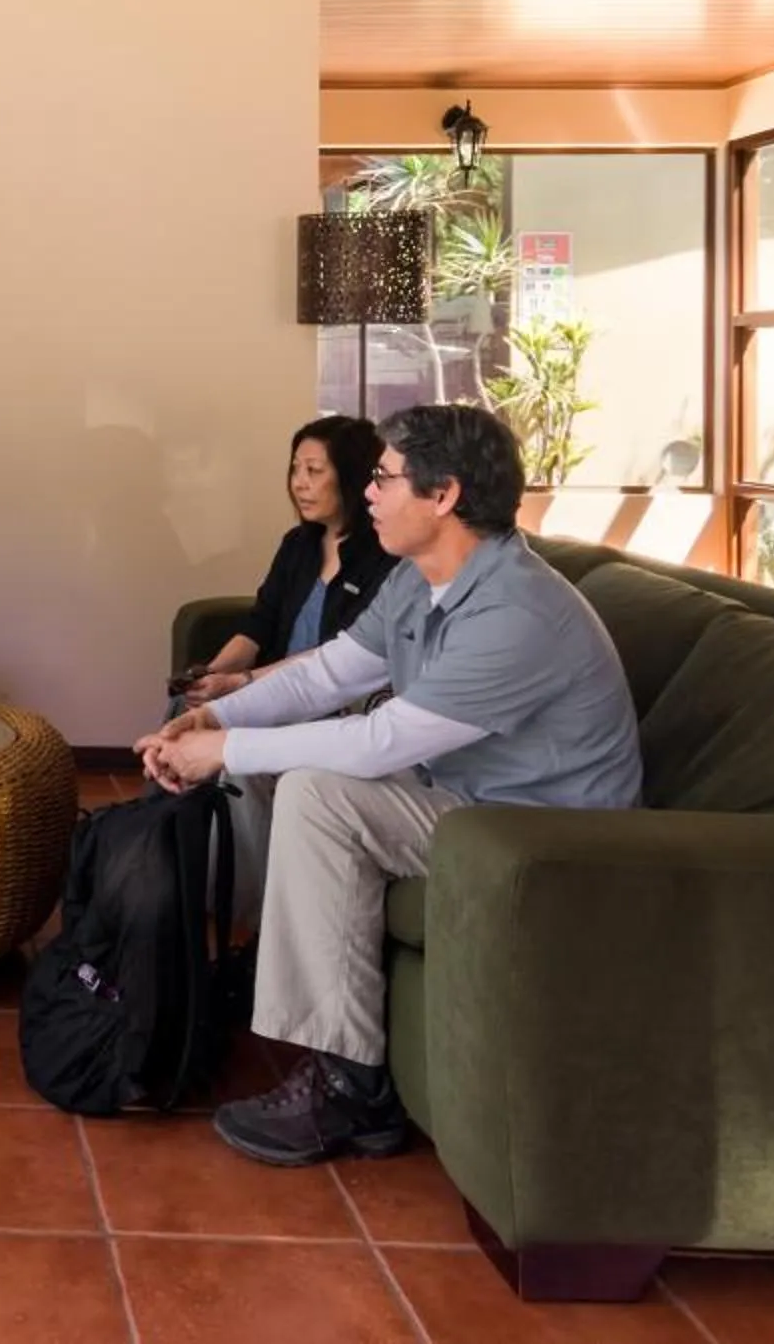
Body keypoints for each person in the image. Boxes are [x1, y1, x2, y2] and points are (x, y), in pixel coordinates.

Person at [133, 403, 640, 1169]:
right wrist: (210, 721)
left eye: (384, 477)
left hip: (544, 835)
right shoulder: (418, 579)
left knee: (320, 790)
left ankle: (350, 1086)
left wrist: (229, 747)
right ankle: (254, 972)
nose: (367, 493)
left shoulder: (517, 612)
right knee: (291, 774)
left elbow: (383, 739)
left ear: (443, 496)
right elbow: (330, 674)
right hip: (468, 795)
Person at [174, 416, 391, 709]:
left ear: (352, 477)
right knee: (185, 707)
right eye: (295, 470)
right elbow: (258, 627)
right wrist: (212, 675)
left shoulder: (385, 554)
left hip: (332, 700)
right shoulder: (298, 544)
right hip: (268, 689)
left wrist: (243, 682)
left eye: (313, 471)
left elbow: (343, 657)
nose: (299, 483)